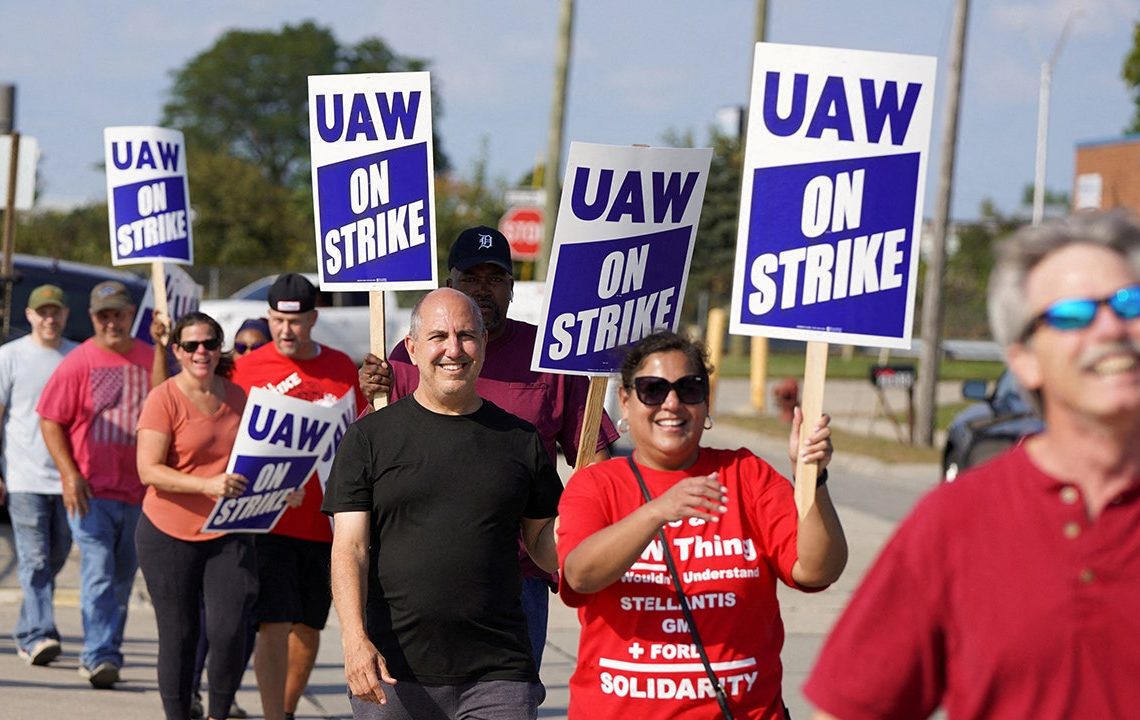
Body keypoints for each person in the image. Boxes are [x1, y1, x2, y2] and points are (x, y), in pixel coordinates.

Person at [804, 211, 1140, 719]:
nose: (1112, 328)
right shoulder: (955, 522)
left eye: (1129, 303)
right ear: (1024, 359)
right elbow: (853, 706)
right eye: (1073, 315)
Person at [359, 225, 619, 667]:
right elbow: (371, 463)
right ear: (449, 285)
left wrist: (586, 527)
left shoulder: (551, 354)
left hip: (517, 580)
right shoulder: (409, 358)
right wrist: (373, 397)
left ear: (512, 289)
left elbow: (593, 457)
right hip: (416, 577)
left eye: (496, 278)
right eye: (471, 278)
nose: (483, 289)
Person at [556, 329, 847, 719]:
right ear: (625, 402)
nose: (671, 404)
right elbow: (579, 576)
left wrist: (813, 478)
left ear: (706, 402)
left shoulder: (746, 474)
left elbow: (816, 570)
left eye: (689, 389)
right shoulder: (598, 484)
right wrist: (656, 511)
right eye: (652, 389)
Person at [324, 287, 563, 719]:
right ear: (412, 349)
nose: (454, 349)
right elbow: (350, 548)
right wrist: (354, 639)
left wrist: (581, 516)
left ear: (484, 344)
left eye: (467, 335)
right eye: (438, 337)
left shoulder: (521, 440)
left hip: (500, 673)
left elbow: (544, 549)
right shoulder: (369, 439)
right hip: (392, 673)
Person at [230, 273, 365, 720]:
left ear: (313, 318)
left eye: (295, 322)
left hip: (325, 524)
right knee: (273, 620)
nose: (286, 331)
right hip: (266, 520)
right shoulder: (244, 369)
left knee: (308, 625)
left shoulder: (343, 369)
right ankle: (273, 715)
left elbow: (364, 434)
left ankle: (285, 710)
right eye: (276, 321)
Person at [37, 279, 162, 688]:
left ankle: (106, 647)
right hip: (92, 492)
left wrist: (163, 345)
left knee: (123, 576)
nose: (112, 322)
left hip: (141, 492)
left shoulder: (149, 358)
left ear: (131, 316)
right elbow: (50, 419)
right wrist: (70, 475)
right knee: (99, 573)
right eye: (104, 315)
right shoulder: (78, 362)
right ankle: (99, 655)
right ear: (93, 318)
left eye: (119, 314)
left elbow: (168, 405)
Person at [134, 311, 258, 720]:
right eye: (191, 345)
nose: (201, 351)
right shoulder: (164, 398)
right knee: (180, 634)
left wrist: (279, 489)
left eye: (209, 343)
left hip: (227, 530)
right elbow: (148, 470)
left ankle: (219, 713)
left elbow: (252, 462)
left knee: (229, 630)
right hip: (168, 531)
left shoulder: (238, 396)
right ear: (177, 351)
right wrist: (206, 485)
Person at [187, 315, 270, 720]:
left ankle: (225, 694)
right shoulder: (206, 390)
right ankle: (190, 692)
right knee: (203, 619)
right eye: (241, 347)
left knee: (239, 623)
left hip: (256, 525)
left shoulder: (250, 401)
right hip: (197, 527)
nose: (248, 354)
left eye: (257, 346)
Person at [0, 285, 78, 666]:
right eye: (42, 312)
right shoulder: (9, 357)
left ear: (65, 314)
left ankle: (26, 625)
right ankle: (39, 634)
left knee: (58, 554)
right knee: (34, 559)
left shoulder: (77, 357)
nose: (50, 319)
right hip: (23, 476)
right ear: (30, 316)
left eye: (56, 312)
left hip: (67, 479)